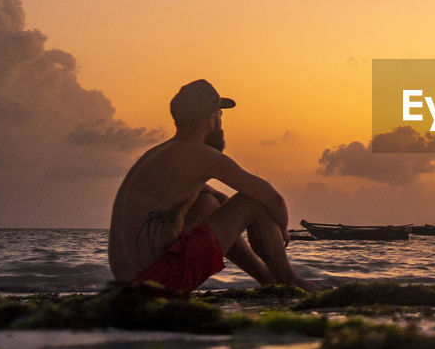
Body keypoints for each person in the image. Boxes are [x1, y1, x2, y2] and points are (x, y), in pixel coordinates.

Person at [108, 79, 316, 291]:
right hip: (160, 281)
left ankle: (267, 279)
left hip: (130, 283)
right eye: (220, 115)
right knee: (253, 202)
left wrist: (236, 222)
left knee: (209, 201)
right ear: (211, 118)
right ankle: (291, 281)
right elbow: (272, 198)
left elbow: (219, 202)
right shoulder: (198, 153)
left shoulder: (159, 153)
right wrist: (282, 230)